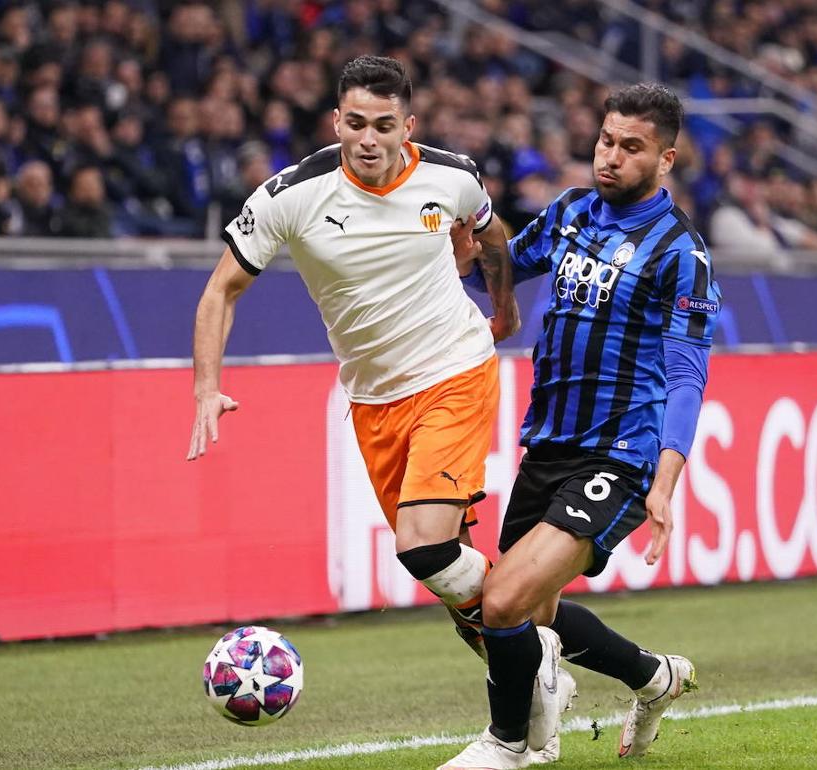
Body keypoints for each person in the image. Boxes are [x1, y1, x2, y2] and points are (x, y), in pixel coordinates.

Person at [184, 55, 582, 754]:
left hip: (455, 371)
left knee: (421, 546)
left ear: (409, 127)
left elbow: (490, 237)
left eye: (384, 126)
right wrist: (205, 387)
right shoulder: (289, 195)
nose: (368, 139)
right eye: (356, 124)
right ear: (336, 120)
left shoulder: (451, 175)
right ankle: (544, 648)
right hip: (373, 400)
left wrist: (505, 308)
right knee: (450, 572)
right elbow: (221, 290)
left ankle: (513, 722)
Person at [443, 83, 716, 769]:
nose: (612, 157)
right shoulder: (570, 211)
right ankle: (655, 678)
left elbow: (687, 373)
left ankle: (504, 746)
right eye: (606, 141)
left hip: (619, 454)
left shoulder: (679, 251)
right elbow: (498, 274)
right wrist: (460, 239)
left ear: (665, 160)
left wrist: (666, 479)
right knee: (508, 615)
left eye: (632, 148)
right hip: (549, 442)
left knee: (503, 602)